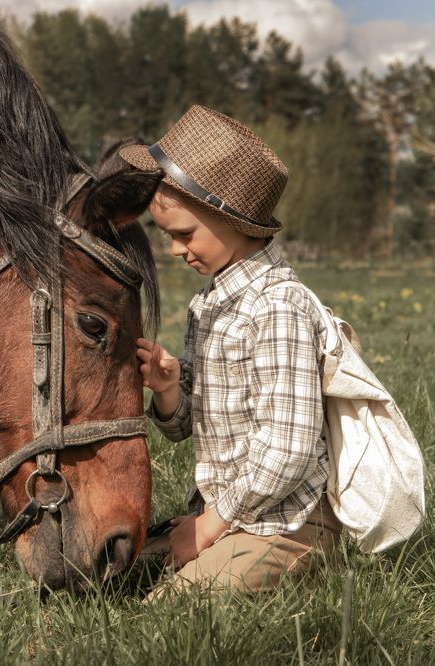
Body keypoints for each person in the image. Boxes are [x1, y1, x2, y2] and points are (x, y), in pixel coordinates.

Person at [123, 105, 341, 595]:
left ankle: (314, 563)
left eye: (184, 234)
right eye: (167, 237)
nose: (176, 250)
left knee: (174, 611)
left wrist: (208, 527)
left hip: (288, 523)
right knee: (115, 572)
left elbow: (289, 448)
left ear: (236, 221)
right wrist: (167, 393)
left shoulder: (278, 307)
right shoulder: (212, 305)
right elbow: (187, 427)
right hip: (228, 514)